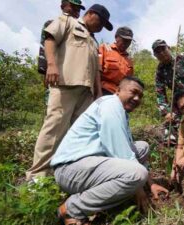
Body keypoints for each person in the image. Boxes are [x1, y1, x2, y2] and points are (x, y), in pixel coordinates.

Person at [51, 77, 169, 224]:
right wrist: (139, 189)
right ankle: (72, 209)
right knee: (137, 174)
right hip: (71, 169)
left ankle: (103, 193)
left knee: (142, 147)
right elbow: (120, 151)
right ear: (118, 90)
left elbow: (128, 150)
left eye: (140, 96)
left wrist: (151, 184)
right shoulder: (111, 105)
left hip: (89, 164)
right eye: (133, 92)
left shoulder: (120, 111)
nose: (137, 98)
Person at [26, 4, 113, 181]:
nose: (101, 26)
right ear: (89, 14)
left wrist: (98, 93)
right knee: (54, 129)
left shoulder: (93, 40)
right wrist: (51, 65)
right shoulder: (68, 22)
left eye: (104, 24)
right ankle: (37, 177)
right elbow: (49, 39)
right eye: (101, 21)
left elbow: (96, 70)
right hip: (65, 85)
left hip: (86, 93)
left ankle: (65, 173)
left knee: (80, 134)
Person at [37, 0, 85, 105]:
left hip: (74, 80)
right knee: (54, 112)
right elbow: (44, 48)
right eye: (73, 7)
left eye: (78, 9)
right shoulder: (52, 24)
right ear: (62, 6)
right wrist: (47, 70)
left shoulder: (83, 30)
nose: (76, 11)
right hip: (57, 78)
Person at [99, 26, 134, 95]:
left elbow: (129, 81)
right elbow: (96, 71)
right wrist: (97, 91)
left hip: (119, 94)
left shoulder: (129, 60)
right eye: (124, 40)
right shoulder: (104, 48)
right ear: (116, 37)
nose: (126, 43)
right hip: (103, 90)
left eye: (129, 41)